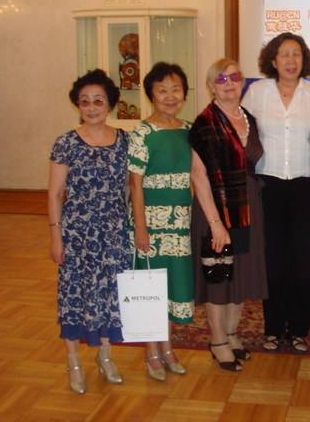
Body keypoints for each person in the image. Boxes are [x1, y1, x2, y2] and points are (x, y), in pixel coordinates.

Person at [48, 69, 130, 394]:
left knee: (110, 294)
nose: (92, 107)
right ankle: (73, 362)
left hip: (113, 232)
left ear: (110, 103)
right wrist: (56, 237)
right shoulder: (66, 142)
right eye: (85, 101)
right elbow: (55, 194)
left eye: (98, 100)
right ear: (77, 105)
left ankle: (105, 357)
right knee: (74, 295)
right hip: (77, 234)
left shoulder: (125, 141)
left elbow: (129, 189)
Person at [242, 32, 310, 353]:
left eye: (296, 54)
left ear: (304, 60)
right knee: (272, 259)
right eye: (284, 54)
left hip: (306, 186)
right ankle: (273, 328)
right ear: (273, 60)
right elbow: (241, 130)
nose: (291, 60)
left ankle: (299, 329)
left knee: (303, 260)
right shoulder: (257, 93)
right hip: (268, 186)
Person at [189, 58, 268, 372]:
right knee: (219, 276)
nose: (229, 83)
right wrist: (215, 224)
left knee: (241, 274)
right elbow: (198, 176)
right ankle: (218, 340)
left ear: (243, 81)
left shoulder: (249, 118)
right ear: (211, 86)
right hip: (216, 208)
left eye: (234, 77)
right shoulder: (205, 123)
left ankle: (233, 334)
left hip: (248, 206)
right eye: (221, 79)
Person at [128, 62, 193, 382]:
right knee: (151, 287)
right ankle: (151, 351)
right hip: (151, 224)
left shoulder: (188, 130)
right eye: (162, 90)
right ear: (151, 95)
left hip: (180, 223)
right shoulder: (143, 133)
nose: (170, 96)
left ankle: (168, 346)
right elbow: (134, 183)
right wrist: (140, 227)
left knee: (170, 286)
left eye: (176, 89)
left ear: (184, 94)